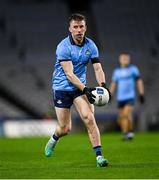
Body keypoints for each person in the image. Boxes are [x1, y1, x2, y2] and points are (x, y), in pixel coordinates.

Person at [44, 13, 110, 167]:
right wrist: (86, 89)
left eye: (81, 26)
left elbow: (98, 67)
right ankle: (54, 138)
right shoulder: (63, 47)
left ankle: (99, 157)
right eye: (76, 27)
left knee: (89, 118)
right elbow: (69, 74)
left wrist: (103, 85)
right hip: (62, 88)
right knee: (65, 129)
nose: (79, 30)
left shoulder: (91, 45)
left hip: (79, 88)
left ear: (85, 28)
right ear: (70, 29)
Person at [109, 52, 145, 140]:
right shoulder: (117, 71)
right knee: (121, 118)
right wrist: (110, 95)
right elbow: (113, 84)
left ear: (129, 59)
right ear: (120, 59)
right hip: (120, 98)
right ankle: (130, 131)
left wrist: (141, 94)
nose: (125, 60)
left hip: (130, 97)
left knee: (126, 114)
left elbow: (139, 81)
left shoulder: (133, 69)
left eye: (127, 58)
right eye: (123, 58)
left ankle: (127, 134)